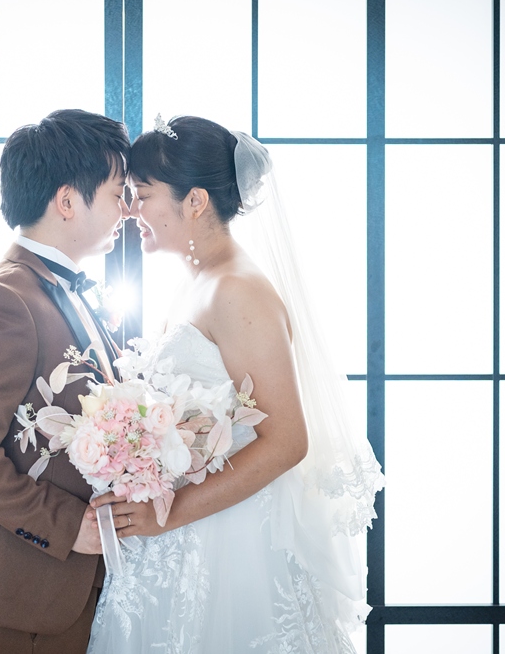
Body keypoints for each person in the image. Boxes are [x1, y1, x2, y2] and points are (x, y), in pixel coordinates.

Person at [86, 116, 384, 653]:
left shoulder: (238, 291)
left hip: (228, 542)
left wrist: (169, 513)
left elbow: (287, 440)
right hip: (178, 535)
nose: (131, 210)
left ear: (195, 201)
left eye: (143, 195)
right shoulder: (196, 281)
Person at [0, 109, 131, 654]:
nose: (126, 209)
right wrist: (66, 525)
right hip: (32, 594)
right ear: (67, 201)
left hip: (84, 588)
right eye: (116, 194)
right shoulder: (6, 300)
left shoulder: (64, 290)